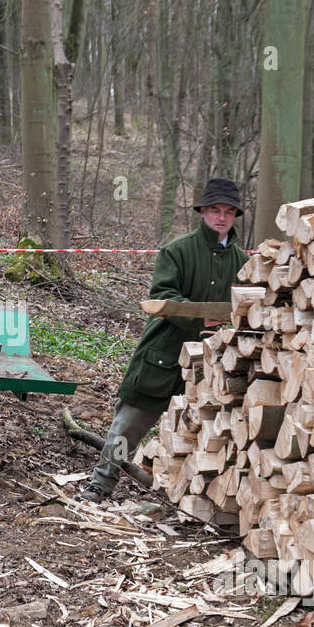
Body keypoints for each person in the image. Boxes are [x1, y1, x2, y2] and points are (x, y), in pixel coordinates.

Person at [77, 177, 248, 503]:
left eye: (228, 211)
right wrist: (202, 317)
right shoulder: (177, 251)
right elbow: (163, 296)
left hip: (210, 364)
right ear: (203, 212)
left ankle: (189, 499)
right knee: (127, 426)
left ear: (235, 215)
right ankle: (100, 484)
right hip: (163, 356)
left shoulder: (243, 263)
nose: (221, 217)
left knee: (203, 434)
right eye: (215, 210)